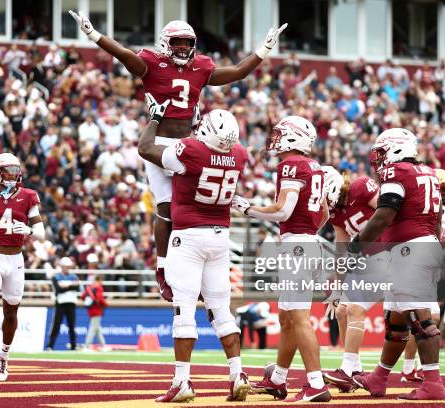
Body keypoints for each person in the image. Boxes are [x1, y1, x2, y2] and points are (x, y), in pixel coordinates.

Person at [69, 9, 286, 304]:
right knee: (166, 206)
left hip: (189, 141)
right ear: (165, 43)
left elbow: (236, 72)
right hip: (158, 141)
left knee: (190, 209)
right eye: (178, 42)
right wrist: (93, 34)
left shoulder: (202, 66)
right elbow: (122, 53)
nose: (183, 48)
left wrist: (265, 48)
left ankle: (188, 270)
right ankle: (162, 269)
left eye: (187, 42)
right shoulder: (151, 63)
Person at [138, 94, 250, 403]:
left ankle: (182, 381)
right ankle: (237, 372)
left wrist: (156, 119)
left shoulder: (192, 150)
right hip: (220, 238)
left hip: (188, 238)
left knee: (184, 311)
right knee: (222, 311)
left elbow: (146, 149)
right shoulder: (238, 154)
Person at [234, 116, 332, 402]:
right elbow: (323, 213)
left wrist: (248, 209)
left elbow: (282, 211)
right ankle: (278, 379)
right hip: (308, 242)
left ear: (294, 137)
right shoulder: (316, 168)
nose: (275, 139)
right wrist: (303, 232)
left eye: (281, 134)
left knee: (299, 317)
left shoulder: (292, 164)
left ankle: (316, 383)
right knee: (287, 316)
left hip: (298, 246)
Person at [350, 128, 445, 400]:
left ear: (396, 148)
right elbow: (438, 216)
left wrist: (356, 245)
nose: (380, 158)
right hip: (419, 244)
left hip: (410, 249)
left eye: (382, 151)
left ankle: (433, 383)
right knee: (396, 321)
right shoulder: (428, 172)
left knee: (420, 318)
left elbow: (383, 216)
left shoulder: (397, 173)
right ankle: (379, 378)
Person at [0, 153, 45, 382]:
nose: (13, 175)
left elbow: (41, 232)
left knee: (11, 311)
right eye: (8, 171)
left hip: (15, 259)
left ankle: (3, 356)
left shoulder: (28, 196)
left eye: (15, 170)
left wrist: (30, 231)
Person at [320, 166, 387, 392]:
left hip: (387, 254)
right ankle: (355, 370)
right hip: (366, 260)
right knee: (341, 309)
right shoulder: (336, 212)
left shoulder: (360, 187)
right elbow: (341, 250)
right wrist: (337, 289)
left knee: (355, 309)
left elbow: (388, 212)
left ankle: (347, 370)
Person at [399, 168, 445, 381]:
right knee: (426, 317)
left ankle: (411, 367)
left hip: (425, 266)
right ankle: (411, 367)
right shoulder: (425, 211)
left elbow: (444, 241)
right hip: (415, 264)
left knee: (422, 318)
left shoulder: (443, 213)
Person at [47, 257, 80, 350]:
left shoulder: (74, 276)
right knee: (56, 326)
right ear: (61, 266)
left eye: (68, 266)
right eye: (65, 266)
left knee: (72, 326)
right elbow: (59, 289)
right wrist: (71, 285)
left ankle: (73, 346)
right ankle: (50, 346)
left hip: (71, 303)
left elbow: (78, 288)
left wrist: (66, 285)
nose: (67, 268)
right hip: (60, 304)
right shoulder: (56, 277)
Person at [82, 275, 108, 351]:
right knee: (93, 328)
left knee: (97, 328)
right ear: (99, 280)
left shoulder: (89, 287)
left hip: (90, 309)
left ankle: (103, 345)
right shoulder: (98, 287)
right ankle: (86, 346)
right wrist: (105, 305)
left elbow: (83, 297)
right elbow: (100, 298)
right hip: (97, 310)